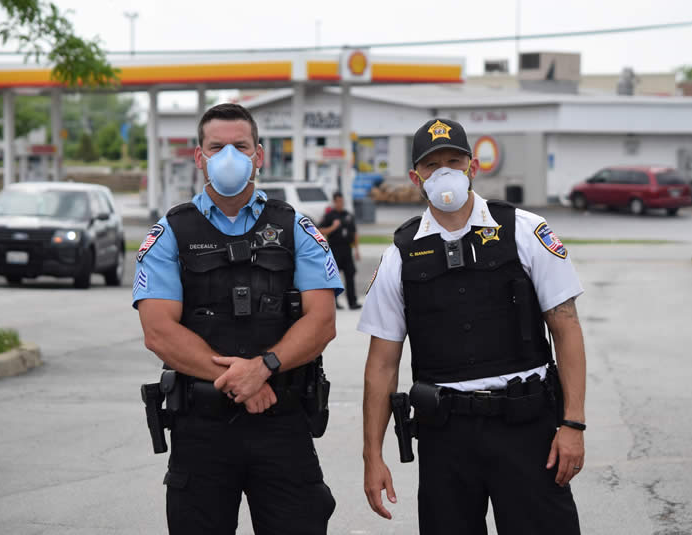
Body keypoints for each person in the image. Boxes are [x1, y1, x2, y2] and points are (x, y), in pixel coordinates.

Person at [359, 118, 586, 534]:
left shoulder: (524, 231)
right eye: (432, 166)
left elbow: (566, 328)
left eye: (453, 161)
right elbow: (382, 364)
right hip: (446, 438)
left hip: (526, 429)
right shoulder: (399, 255)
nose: (444, 172)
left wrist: (572, 424)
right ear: (416, 178)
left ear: (472, 167)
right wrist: (372, 455)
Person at [132, 103, 342, 535]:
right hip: (202, 431)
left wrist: (264, 368)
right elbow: (158, 331)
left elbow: (321, 321)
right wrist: (242, 382)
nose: (229, 155)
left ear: (258, 156)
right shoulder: (171, 232)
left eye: (240, 146)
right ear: (200, 156)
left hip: (282, 425)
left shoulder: (294, 227)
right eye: (217, 146)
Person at [319, 191, 361, 310]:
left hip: (347, 250)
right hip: (334, 250)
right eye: (338, 201)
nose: (340, 204)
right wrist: (333, 227)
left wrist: (357, 250)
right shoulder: (329, 215)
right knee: (333, 277)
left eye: (342, 201)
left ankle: (352, 302)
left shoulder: (348, 215)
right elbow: (319, 230)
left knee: (350, 275)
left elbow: (354, 233)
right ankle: (334, 303)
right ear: (334, 202)